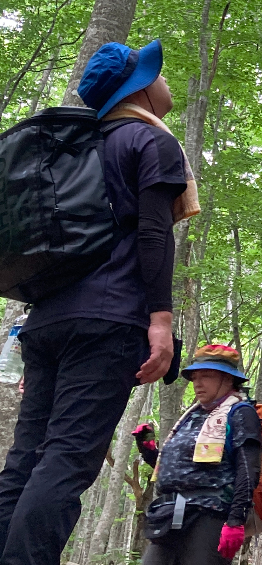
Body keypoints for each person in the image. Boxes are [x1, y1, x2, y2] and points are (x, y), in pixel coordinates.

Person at [0, 39, 196, 565]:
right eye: (155, 73)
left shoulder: (73, 146)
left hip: (46, 322)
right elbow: (153, 234)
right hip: (109, 320)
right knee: (68, 458)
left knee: (26, 459)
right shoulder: (148, 140)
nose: (163, 80)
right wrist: (160, 321)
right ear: (138, 88)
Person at [135, 345, 259, 564]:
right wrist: (149, 451)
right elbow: (182, 469)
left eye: (207, 376)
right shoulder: (191, 416)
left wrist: (236, 520)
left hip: (210, 516)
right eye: (195, 377)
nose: (198, 383)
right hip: (170, 515)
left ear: (228, 379)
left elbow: (248, 469)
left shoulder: (240, 413)